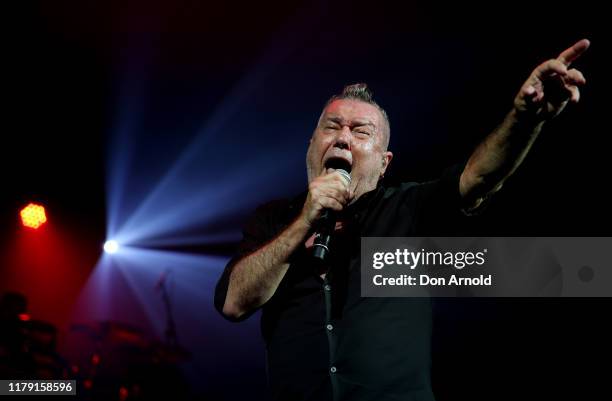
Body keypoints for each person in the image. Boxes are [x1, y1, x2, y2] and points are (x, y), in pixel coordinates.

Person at [214, 39, 590, 401]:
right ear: (311, 145)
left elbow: (478, 177)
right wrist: (303, 224)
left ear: (383, 164)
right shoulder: (273, 219)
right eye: (331, 127)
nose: (343, 138)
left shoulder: (405, 209)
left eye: (361, 131)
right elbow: (234, 304)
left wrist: (524, 119)